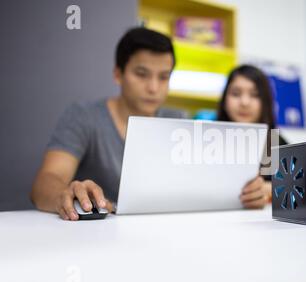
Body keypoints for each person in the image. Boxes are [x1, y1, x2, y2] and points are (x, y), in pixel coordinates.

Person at [30, 27, 187, 221]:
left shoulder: (179, 123)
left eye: (163, 77)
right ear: (118, 74)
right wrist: (65, 194)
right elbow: (46, 180)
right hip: (97, 238)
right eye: (141, 74)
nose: (153, 88)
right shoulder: (83, 116)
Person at [217, 65, 288, 207]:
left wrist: (267, 189)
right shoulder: (209, 138)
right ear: (225, 99)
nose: (244, 102)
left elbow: (297, 187)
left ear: (265, 102)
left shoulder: (274, 142)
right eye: (236, 93)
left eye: (255, 95)